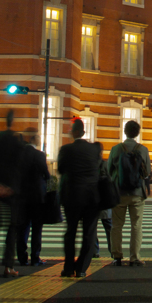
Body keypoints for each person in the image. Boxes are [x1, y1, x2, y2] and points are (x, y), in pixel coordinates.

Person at [57, 119, 103, 278]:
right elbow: (97, 167)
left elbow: (61, 169)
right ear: (83, 132)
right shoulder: (94, 149)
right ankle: (81, 268)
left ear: (74, 132)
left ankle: (68, 267)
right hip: (91, 197)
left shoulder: (66, 149)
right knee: (89, 234)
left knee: (71, 232)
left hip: (72, 196)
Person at [0, 110, 24, 278]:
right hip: (12, 191)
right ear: (13, 121)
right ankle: (8, 267)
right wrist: (11, 186)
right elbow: (20, 167)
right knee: (12, 228)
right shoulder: (17, 142)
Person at [108, 120, 151, 266]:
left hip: (118, 192)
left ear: (125, 132)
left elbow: (109, 170)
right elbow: (148, 172)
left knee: (117, 225)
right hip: (137, 193)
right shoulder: (143, 149)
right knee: (136, 225)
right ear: (137, 133)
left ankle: (117, 256)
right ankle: (134, 257)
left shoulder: (116, 149)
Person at [16, 130, 50, 266]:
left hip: (22, 195)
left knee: (23, 227)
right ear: (35, 140)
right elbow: (46, 174)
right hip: (37, 195)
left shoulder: (19, 155)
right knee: (37, 228)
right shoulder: (39, 155)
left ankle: (21, 257)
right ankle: (35, 257)